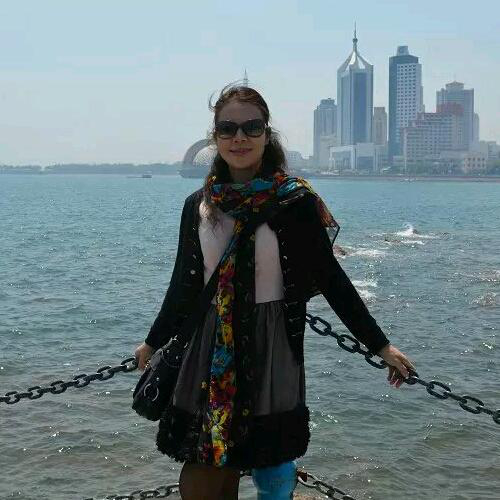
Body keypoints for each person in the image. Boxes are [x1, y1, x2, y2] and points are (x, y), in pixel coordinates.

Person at [134, 85, 415, 500]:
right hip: (210, 346)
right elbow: (184, 285)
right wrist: (153, 340)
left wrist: (381, 346)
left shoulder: (294, 202)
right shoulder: (199, 205)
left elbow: (332, 279)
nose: (239, 138)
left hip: (272, 346)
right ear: (215, 137)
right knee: (205, 462)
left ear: (267, 134)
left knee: (256, 456)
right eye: (228, 128)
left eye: (252, 127)